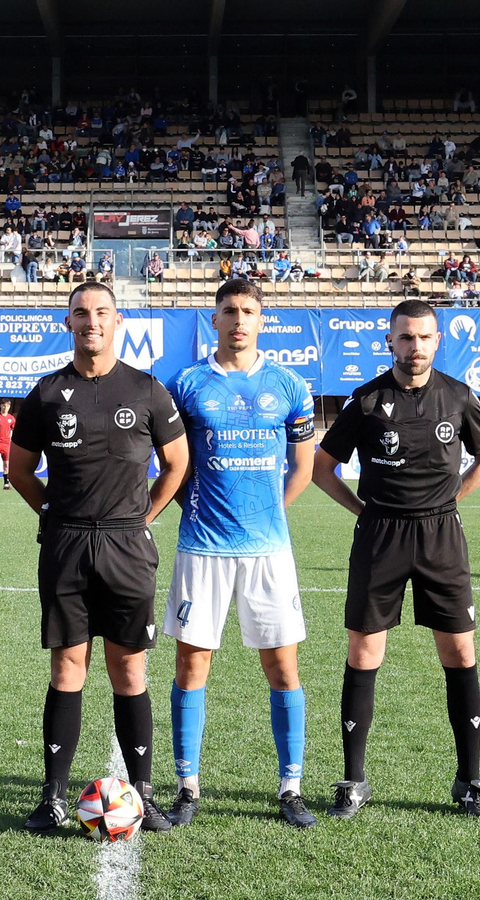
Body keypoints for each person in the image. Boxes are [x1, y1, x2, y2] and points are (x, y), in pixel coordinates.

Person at [8, 282, 191, 836]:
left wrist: (142, 519)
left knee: (129, 668)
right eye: (81, 313)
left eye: (102, 312)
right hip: (65, 544)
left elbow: (176, 465)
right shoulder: (45, 393)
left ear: (117, 322)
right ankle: (53, 797)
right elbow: (19, 471)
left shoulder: (147, 390)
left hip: (126, 547)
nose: (92, 321)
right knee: (67, 667)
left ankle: (144, 793)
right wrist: (55, 512)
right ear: (68, 322)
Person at [310, 298, 480, 821]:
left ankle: (470, 780)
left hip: (441, 536)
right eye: (405, 338)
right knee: (363, 653)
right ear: (389, 341)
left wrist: (449, 503)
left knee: (460, 654)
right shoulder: (367, 402)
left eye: (424, 338)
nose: (414, 347)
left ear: (437, 342)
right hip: (380, 537)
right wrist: (362, 510)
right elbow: (322, 468)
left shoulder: (458, 397)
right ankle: (352, 780)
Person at [162, 279, 318, 829]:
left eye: (248, 311)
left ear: (261, 320)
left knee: (282, 666)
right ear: (215, 320)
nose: (239, 320)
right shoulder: (185, 385)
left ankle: (291, 786)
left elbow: (302, 467)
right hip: (201, 546)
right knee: (191, 663)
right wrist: (192, 506)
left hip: (269, 551)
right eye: (229, 311)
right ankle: (187, 785)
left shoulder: (290, 385)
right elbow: (173, 464)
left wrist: (269, 514)